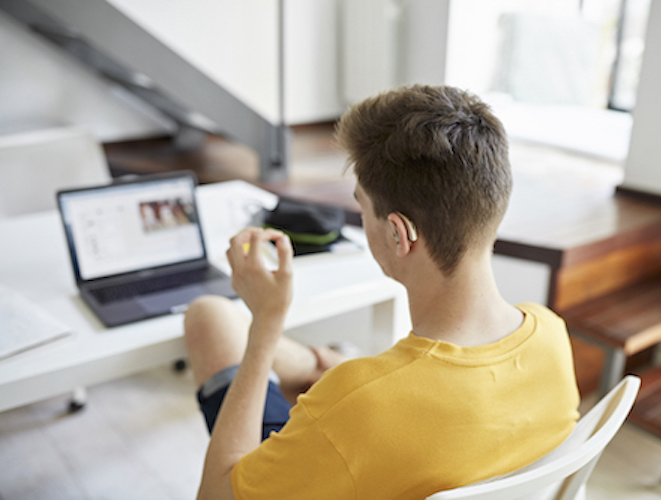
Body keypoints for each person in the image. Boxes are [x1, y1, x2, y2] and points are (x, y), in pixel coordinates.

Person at [183, 85, 580, 500]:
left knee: (210, 317)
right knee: (318, 361)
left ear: (398, 233)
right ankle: (325, 363)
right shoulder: (550, 333)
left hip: (341, 443)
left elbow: (214, 495)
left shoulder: (363, 405)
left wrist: (266, 323)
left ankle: (318, 363)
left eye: (361, 207)